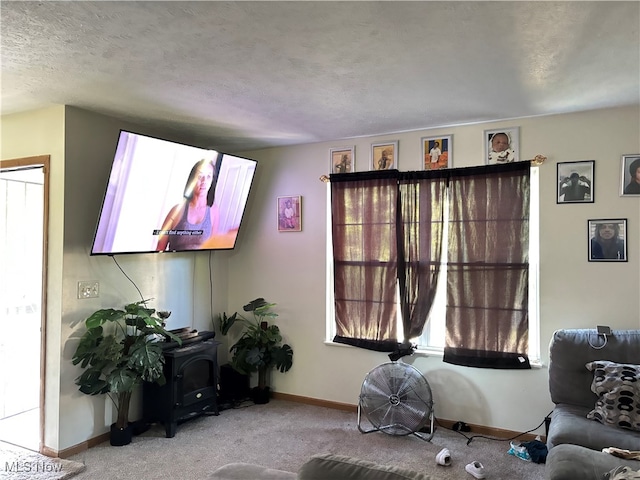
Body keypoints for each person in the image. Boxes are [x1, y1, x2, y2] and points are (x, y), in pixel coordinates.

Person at [156, 159, 220, 251]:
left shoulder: (214, 211)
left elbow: (212, 249)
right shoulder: (176, 211)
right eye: (200, 176)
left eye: (208, 176)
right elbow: (159, 249)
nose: (204, 181)